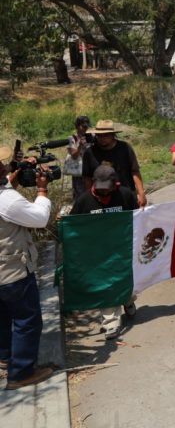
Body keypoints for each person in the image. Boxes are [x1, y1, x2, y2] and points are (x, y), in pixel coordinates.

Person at [0, 145, 54, 390]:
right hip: (12, 270)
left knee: (3, 317)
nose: (5, 167)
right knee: (27, 319)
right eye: (1, 165)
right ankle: (21, 373)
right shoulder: (6, 199)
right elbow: (39, 218)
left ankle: (5, 358)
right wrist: (42, 190)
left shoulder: (6, 193)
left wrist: (17, 173)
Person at [69, 165, 139, 339]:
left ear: (115, 184)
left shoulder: (125, 195)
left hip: (122, 247)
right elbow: (73, 227)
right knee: (106, 285)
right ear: (93, 183)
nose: (103, 194)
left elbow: (137, 217)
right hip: (98, 253)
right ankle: (111, 324)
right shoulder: (83, 201)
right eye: (100, 190)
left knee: (124, 283)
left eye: (107, 191)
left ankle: (128, 300)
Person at [82, 120, 147, 207]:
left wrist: (141, 192)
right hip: (102, 197)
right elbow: (87, 178)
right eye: (99, 135)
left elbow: (135, 171)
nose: (102, 138)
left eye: (106, 135)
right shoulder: (89, 153)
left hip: (125, 196)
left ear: (113, 135)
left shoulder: (125, 148)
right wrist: (90, 198)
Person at [66, 115, 92, 201]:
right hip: (79, 171)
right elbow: (74, 155)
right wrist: (80, 145)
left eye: (87, 127)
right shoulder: (72, 139)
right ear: (77, 126)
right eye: (83, 126)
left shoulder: (91, 136)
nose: (85, 129)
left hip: (91, 169)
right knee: (80, 195)